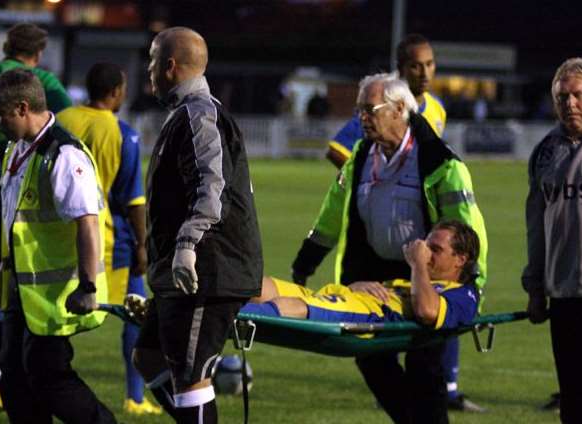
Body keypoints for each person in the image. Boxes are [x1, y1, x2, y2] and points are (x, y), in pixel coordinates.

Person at [291, 73, 487, 423]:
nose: (361, 119)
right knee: (371, 359)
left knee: (425, 369)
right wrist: (305, 262)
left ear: (399, 109)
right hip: (376, 280)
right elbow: (333, 213)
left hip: (428, 277)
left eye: (369, 110)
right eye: (359, 111)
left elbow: (467, 229)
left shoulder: (439, 162)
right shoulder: (362, 156)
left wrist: (473, 282)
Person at [132, 27, 263, 424]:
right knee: (148, 357)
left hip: (206, 270)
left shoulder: (198, 114)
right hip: (196, 270)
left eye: (153, 61)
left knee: (190, 379)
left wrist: (186, 247)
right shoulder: (193, 114)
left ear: (169, 66)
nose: (149, 70)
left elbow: (211, 188)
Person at [0, 69, 115, 423]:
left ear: (23, 108)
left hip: (58, 294)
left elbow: (87, 223)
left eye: (0, 113)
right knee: (14, 384)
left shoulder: (64, 155)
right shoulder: (18, 150)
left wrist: (88, 286)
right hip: (23, 293)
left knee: (49, 380)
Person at [0, 22, 71, 406]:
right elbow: (62, 123)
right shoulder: (39, 79)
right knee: (5, 284)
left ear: (7, 45)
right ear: (38, 53)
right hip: (7, 181)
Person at [56, 63, 160, 416]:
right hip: (107, 237)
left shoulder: (61, 120)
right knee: (137, 314)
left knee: (53, 314)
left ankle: (18, 386)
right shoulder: (121, 133)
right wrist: (143, 244)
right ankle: (135, 397)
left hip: (56, 234)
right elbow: (132, 199)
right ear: (116, 91)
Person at [522, 57, 582, 424]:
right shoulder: (544, 152)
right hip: (565, 298)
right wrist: (536, 287)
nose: (569, 103)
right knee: (574, 403)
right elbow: (535, 225)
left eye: (578, 95)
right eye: (562, 96)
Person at [246, 221, 479, 333]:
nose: (426, 253)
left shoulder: (463, 294)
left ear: (460, 259)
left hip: (371, 314)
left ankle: (222, 319)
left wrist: (417, 262)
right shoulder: (419, 280)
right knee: (257, 285)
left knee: (297, 306)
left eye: (435, 250)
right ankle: (213, 304)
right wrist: (358, 285)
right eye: (426, 247)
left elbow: (427, 312)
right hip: (348, 297)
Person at [326, 34, 446, 169]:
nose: (425, 73)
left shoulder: (437, 107)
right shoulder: (383, 107)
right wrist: (366, 182)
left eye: (429, 64)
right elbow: (336, 151)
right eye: (415, 66)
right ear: (401, 69)